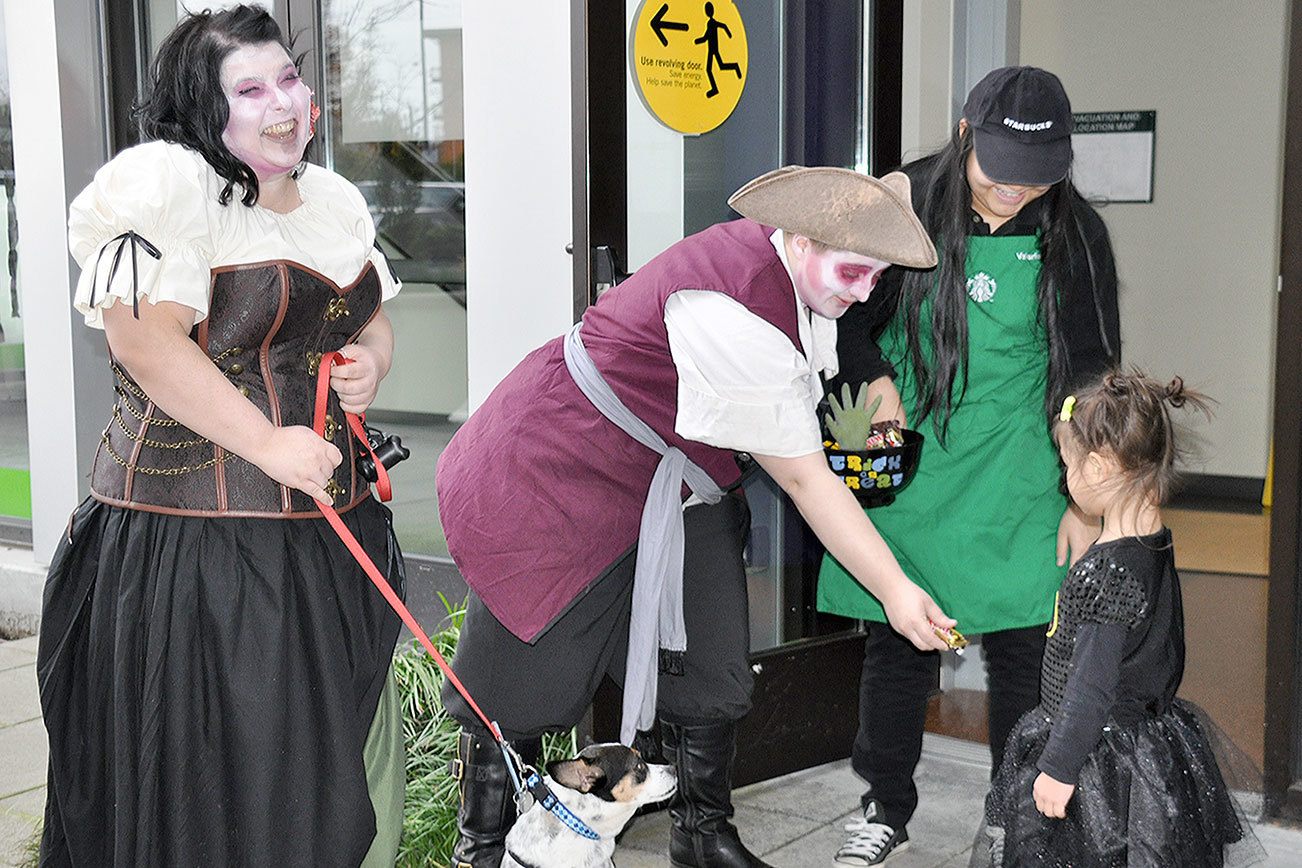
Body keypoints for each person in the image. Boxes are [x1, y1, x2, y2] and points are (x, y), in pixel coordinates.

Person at [436, 166, 957, 868]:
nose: (864, 292)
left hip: (674, 476)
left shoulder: (800, 284)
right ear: (800, 240)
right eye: (856, 272)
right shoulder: (732, 305)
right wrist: (896, 592)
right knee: (517, 677)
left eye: (878, 279)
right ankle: (487, 851)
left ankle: (702, 836)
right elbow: (805, 480)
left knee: (709, 652)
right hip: (559, 460)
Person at [36, 7, 405, 866]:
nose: (283, 104)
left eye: (289, 79)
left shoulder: (334, 199)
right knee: (229, 792)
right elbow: (141, 341)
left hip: (328, 538)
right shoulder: (165, 186)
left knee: (331, 779)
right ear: (205, 111)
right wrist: (270, 444)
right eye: (250, 89)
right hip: (196, 554)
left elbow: (375, 317)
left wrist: (371, 364)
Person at [819, 66, 1122, 866]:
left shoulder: (1076, 233)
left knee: (1025, 643)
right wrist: (871, 376)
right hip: (915, 455)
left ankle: (1011, 811)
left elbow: (1093, 373)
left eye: (1035, 180)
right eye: (997, 174)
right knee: (899, 641)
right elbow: (839, 317)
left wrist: (1084, 500)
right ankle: (884, 804)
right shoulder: (905, 203)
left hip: (1026, 467)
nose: (1012, 193)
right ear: (964, 135)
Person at [976, 370, 1259, 867]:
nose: (1064, 479)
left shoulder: (1105, 573)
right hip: (1149, 738)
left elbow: (1091, 687)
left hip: (1094, 755)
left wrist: (1059, 768)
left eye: (1067, 466)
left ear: (1101, 468)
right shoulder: (1155, 544)